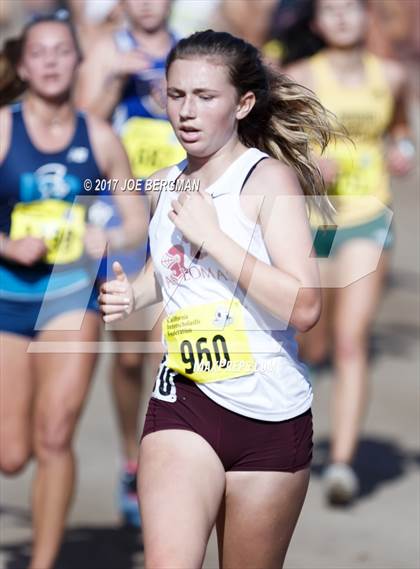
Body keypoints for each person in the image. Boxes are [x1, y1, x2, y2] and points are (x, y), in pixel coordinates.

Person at [99, 29, 336, 568]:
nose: (186, 111)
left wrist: (217, 238)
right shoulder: (162, 184)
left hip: (271, 419)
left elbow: (304, 307)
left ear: (243, 103)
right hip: (184, 403)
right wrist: (130, 293)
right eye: (176, 95)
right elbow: (175, 271)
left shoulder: (266, 181)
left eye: (205, 97)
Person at [0, 13, 146, 569]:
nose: (53, 62)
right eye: (40, 53)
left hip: (71, 295)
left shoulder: (101, 137)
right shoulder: (4, 130)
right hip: (8, 296)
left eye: (63, 51)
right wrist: (7, 245)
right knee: (13, 455)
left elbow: (136, 220)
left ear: (79, 61)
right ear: (21, 64)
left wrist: (107, 232)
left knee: (56, 433)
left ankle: (43, 562)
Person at [286, 0, 414, 505]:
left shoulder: (392, 75)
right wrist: (309, 163)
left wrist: (403, 147)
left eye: (350, 9)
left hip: (367, 217)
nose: (341, 18)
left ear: (367, 18)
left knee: (350, 339)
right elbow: (278, 144)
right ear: (317, 23)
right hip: (312, 223)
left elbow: (399, 127)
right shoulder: (299, 77)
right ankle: (299, 427)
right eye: (330, 11)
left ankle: (341, 463)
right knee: (313, 343)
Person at [76, 0, 185, 527]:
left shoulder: (191, 50)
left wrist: (175, 102)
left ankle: (172, 465)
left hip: (181, 216)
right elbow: (75, 129)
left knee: (172, 349)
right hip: (122, 215)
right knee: (127, 359)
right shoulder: (105, 52)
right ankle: (130, 457)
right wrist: (111, 84)